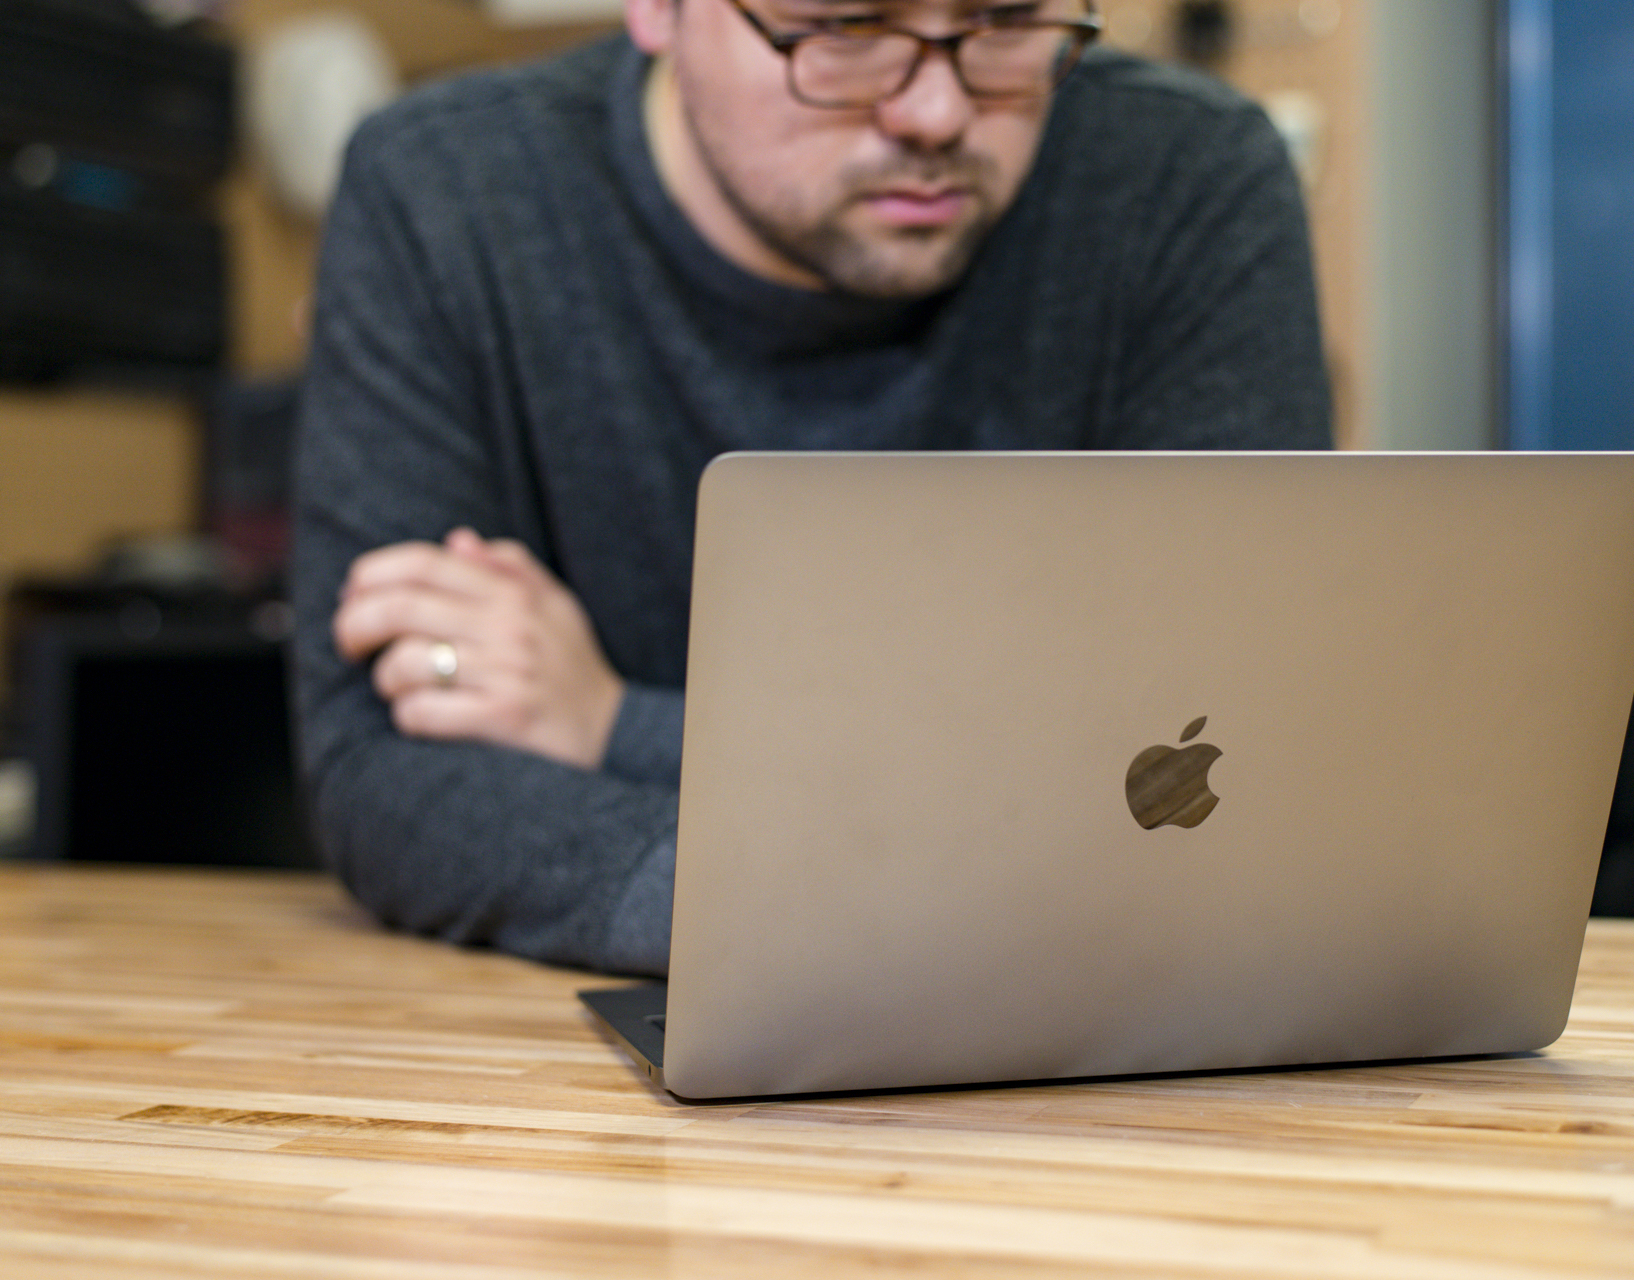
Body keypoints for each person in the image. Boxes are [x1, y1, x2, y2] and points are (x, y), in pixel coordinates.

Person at [291, 0, 1332, 975]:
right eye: (844, 26)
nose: (934, 111)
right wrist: (833, 909)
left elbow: (1211, 765)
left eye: (1009, 19)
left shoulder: (1189, 180)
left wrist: (619, 726)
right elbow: (384, 776)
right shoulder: (442, 192)